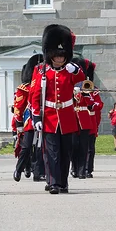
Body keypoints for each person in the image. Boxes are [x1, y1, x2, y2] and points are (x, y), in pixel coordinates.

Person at [30, 24, 86, 194]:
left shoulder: (69, 70)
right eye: (57, 56)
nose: (60, 59)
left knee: (65, 152)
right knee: (52, 152)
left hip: (67, 116)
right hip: (49, 117)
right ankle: (53, 182)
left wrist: (74, 69)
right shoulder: (42, 72)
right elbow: (35, 96)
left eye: (62, 56)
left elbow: (81, 77)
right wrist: (36, 118)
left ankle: (63, 182)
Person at [12, 54, 43, 182]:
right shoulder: (24, 88)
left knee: (41, 147)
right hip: (29, 120)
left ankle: (38, 173)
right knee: (27, 147)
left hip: (44, 117)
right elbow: (18, 107)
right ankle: (19, 169)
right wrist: (18, 124)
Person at [71, 57, 100, 179]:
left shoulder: (89, 88)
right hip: (73, 119)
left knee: (84, 147)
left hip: (85, 120)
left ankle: (82, 170)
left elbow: (93, 103)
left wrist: (86, 95)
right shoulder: (70, 86)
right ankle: (74, 168)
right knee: (74, 146)